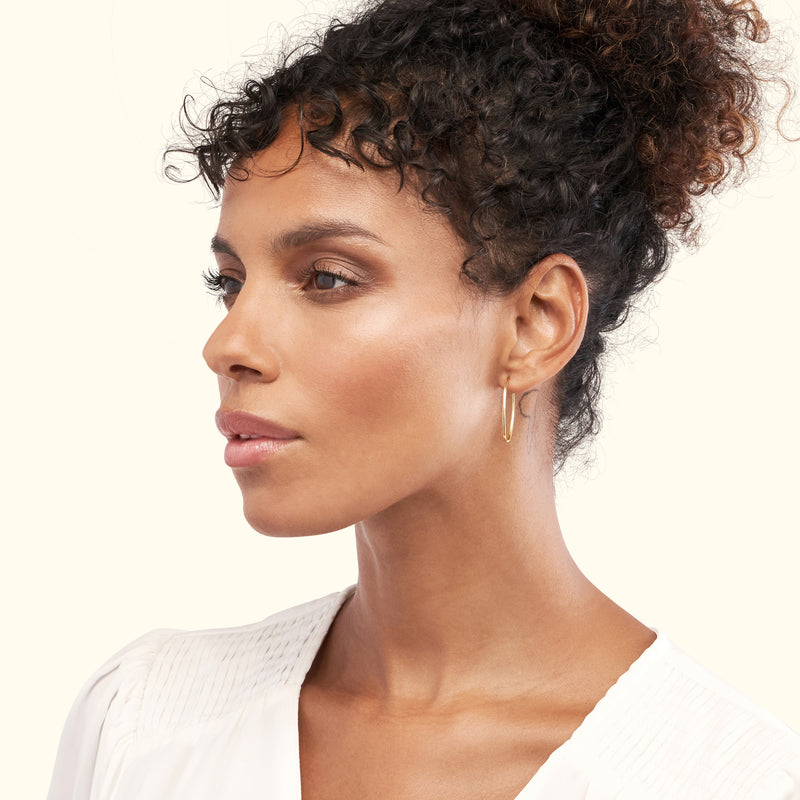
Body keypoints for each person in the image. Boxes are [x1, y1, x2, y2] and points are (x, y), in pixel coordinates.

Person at [47, 0, 800, 797]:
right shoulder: (143, 727)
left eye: (327, 278)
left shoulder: (725, 778)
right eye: (230, 283)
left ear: (535, 325)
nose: (228, 344)